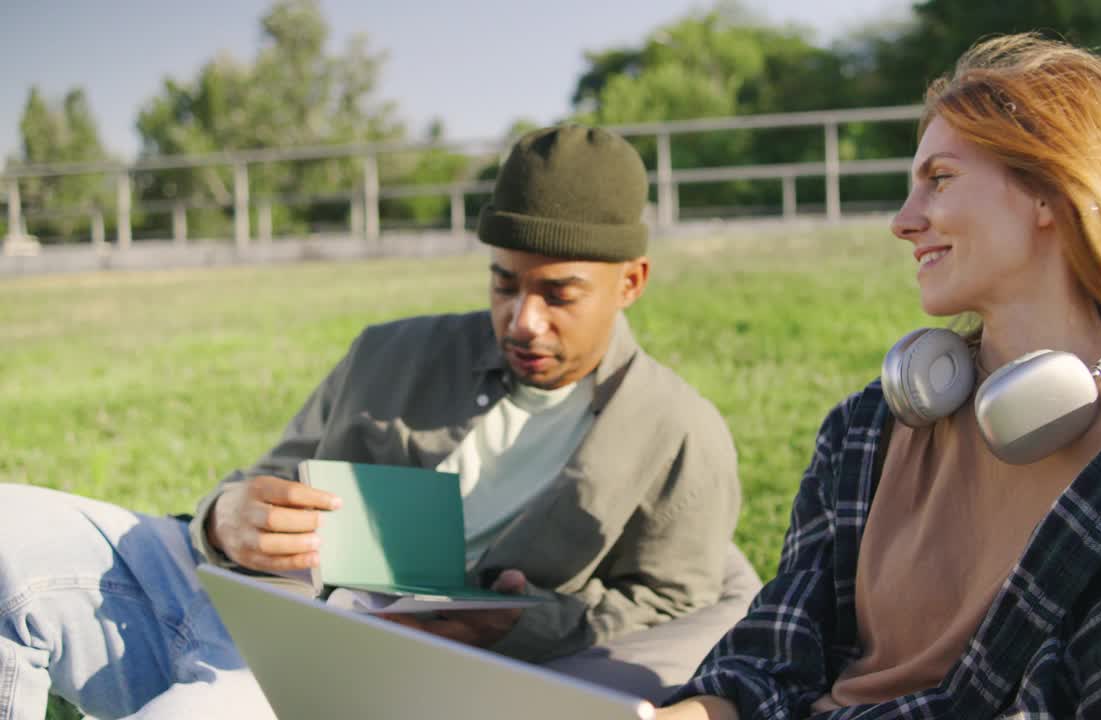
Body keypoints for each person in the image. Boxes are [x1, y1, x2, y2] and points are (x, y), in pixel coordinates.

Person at [0, 125, 760, 720]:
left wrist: (515, 624)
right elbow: (260, 484)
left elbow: (672, 606)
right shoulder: (390, 352)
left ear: (631, 282)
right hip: (245, 598)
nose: (522, 321)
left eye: (558, 295)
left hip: (351, 673)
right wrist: (227, 517)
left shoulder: (678, 432)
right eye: (504, 285)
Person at [660, 34, 1101, 720]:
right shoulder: (867, 429)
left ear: (1052, 193)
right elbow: (773, 658)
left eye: (941, 179)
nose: (903, 221)